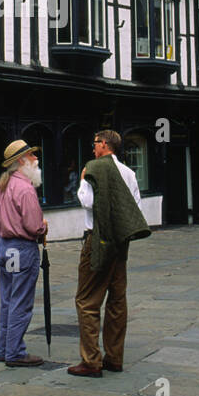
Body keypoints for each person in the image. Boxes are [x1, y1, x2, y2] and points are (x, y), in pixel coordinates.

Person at [69, 130, 150, 377]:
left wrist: (83, 180)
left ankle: (91, 361)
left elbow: (88, 202)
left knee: (87, 300)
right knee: (116, 301)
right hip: (120, 242)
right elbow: (135, 207)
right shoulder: (129, 173)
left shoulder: (94, 168)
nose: (93, 148)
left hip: (98, 239)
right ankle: (114, 358)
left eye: (95, 143)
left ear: (104, 144)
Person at [0, 139, 47, 368]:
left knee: (8, 300)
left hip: (6, 247)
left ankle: (5, 349)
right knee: (21, 302)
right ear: (21, 161)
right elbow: (34, 226)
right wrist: (44, 226)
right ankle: (15, 352)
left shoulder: (1, 186)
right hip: (22, 248)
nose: (36, 159)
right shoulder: (25, 188)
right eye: (32, 156)